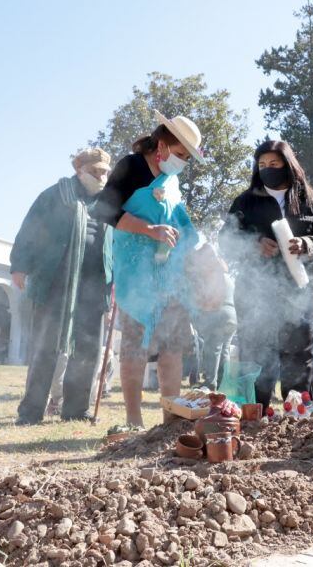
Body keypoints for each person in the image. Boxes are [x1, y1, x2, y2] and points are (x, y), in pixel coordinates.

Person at [94, 111, 203, 428]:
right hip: (135, 271)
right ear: (163, 145)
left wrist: (188, 239)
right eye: (181, 154)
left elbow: (179, 217)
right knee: (135, 345)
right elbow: (106, 210)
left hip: (170, 274)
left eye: (186, 157)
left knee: (172, 345)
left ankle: (172, 418)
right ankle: (134, 420)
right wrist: (149, 229)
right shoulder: (132, 166)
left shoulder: (173, 181)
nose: (182, 161)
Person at [219, 140, 313, 408]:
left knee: (299, 353)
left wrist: (307, 244)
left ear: (288, 164)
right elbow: (226, 239)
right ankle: (255, 412)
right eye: (261, 165)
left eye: (274, 164)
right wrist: (254, 244)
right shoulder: (246, 201)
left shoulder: (311, 199)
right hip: (255, 290)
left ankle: (296, 414)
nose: (267, 169)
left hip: (301, 290)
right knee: (256, 351)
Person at [11, 148, 113, 425]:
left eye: (105, 172)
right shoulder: (55, 196)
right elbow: (30, 228)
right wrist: (19, 265)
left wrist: (115, 279)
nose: (101, 177)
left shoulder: (109, 202)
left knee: (89, 349)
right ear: (80, 170)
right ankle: (31, 412)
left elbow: (116, 242)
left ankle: (76, 410)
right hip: (55, 281)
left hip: (94, 284)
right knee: (44, 346)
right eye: (96, 171)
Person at [185, 242, 237, 391]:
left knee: (212, 349)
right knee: (224, 350)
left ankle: (210, 382)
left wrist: (200, 306)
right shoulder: (225, 272)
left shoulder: (212, 272)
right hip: (232, 316)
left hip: (219, 315)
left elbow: (211, 301)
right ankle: (223, 383)